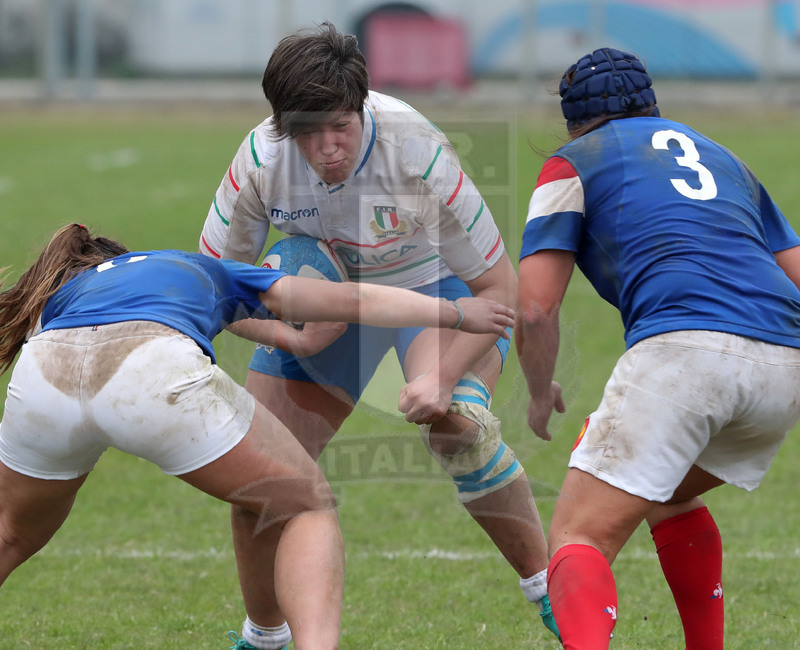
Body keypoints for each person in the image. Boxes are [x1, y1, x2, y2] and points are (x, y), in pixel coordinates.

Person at [198, 21, 560, 645]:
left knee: (459, 428)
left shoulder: (415, 151)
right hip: (327, 305)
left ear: (361, 108)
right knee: (256, 476)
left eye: (339, 126)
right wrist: (299, 340)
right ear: (283, 126)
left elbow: (499, 291)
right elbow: (213, 292)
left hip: (431, 291)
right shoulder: (261, 161)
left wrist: (443, 377)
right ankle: (264, 636)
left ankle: (555, 595)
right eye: (307, 132)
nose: (327, 146)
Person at [0, 223, 515, 650]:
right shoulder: (199, 266)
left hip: (43, 368)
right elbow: (350, 299)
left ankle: (264, 638)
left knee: (10, 535)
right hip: (147, 361)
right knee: (305, 504)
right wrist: (455, 311)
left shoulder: (59, 299)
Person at [516, 47, 800, 649]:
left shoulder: (571, 162)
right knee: (662, 493)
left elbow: (536, 307)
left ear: (573, 121)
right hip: (784, 359)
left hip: (684, 352)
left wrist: (538, 393)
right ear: (652, 104)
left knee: (578, 538)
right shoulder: (726, 159)